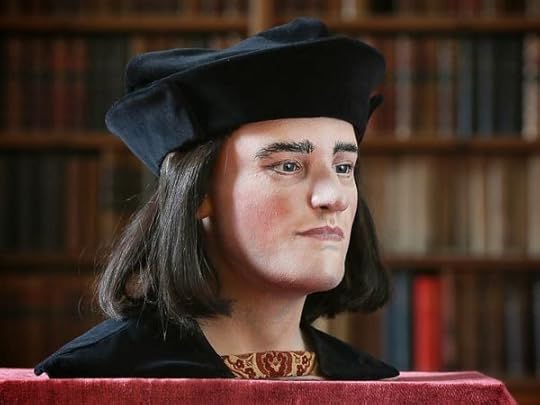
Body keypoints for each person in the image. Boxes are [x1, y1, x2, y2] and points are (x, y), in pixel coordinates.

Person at [35, 17, 399, 380]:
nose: (333, 196)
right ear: (199, 194)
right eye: (288, 166)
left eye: (343, 167)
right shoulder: (98, 380)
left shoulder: (376, 386)